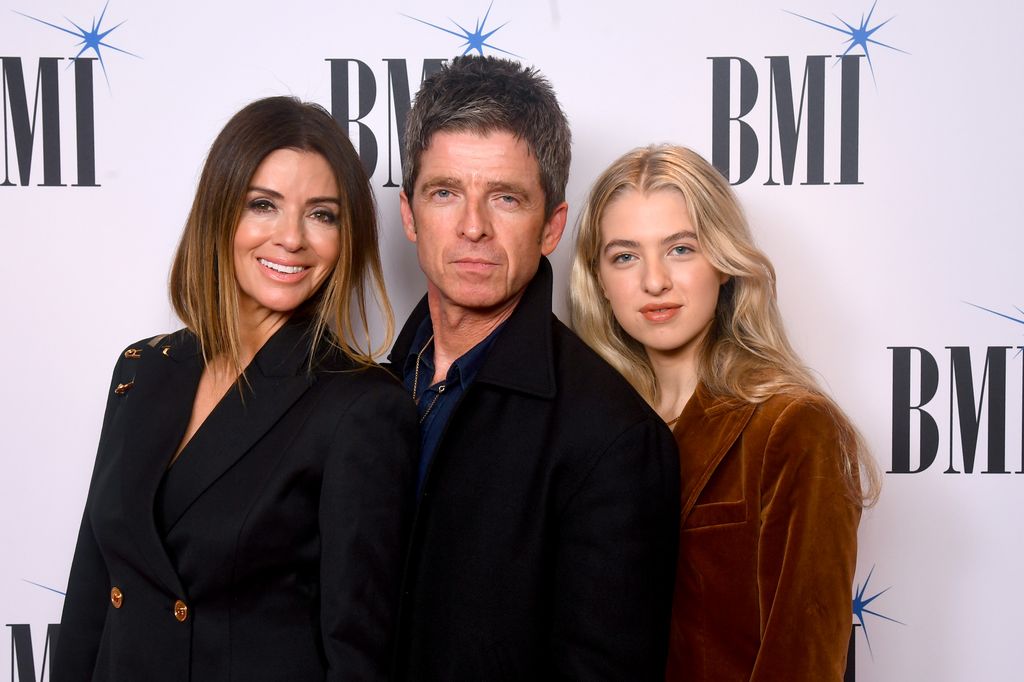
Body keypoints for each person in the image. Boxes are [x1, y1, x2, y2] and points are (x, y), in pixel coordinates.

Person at [53, 96, 417, 681]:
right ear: (221, 212)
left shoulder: (363, 407)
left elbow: (357, 656)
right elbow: (91, 597)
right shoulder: (143, 369)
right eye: (263, 205)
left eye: (322, 214)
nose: (291, 237)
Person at [389, 56, 680, 680]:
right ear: (409, 215)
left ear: (552, 226)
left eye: (506, 197)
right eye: (445, 193)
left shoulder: (614, 440)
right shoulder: (366, 390)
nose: (473, 227)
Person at [570, 144, 882, 681]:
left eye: (681, 249)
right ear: (599, 280)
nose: (654, 281)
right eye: (625, 255)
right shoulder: (591, 433)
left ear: (723, 260)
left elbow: (802, 663)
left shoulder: (793, 427)